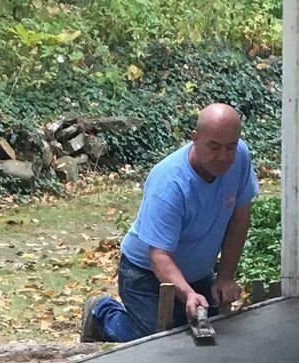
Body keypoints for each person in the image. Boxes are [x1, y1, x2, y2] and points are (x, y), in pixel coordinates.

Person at [80, 103, 259, 343]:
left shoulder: (241, 158)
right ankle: (102, 313)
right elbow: (159, 256)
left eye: (230, 147)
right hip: (144, 272)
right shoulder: (169, 183)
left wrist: (225, 276)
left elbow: (239, 218)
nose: (223, 157)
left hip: (197, 271)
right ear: (195, 139)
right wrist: (187, 294)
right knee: (153, 341)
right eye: (214, 147)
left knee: (207, 336)